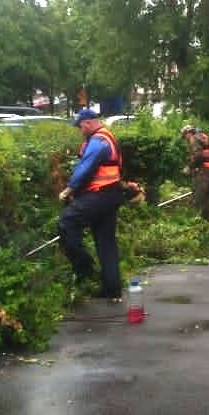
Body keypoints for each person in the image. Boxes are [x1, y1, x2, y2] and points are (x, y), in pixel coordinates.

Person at [58, 109, 125, 301]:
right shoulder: (108, 137)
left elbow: (86, 167)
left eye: (80, 126)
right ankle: (112, 290)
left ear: (87, 123)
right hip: (111, 195)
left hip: (98, 195)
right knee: (106, 243)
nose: (80, 130)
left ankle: (85, 268)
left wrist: (69, 190)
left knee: (67, 223)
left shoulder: (98, 141)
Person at [181, 125, 209, 221]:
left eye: (185, 136)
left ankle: (194, 223)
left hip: (204, 171)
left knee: (198, 197)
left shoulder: (193, 138)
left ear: (188, 133)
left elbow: (198, 155)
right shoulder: (204, 137)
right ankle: (205, 223)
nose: (185, 139)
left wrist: (189, 167)